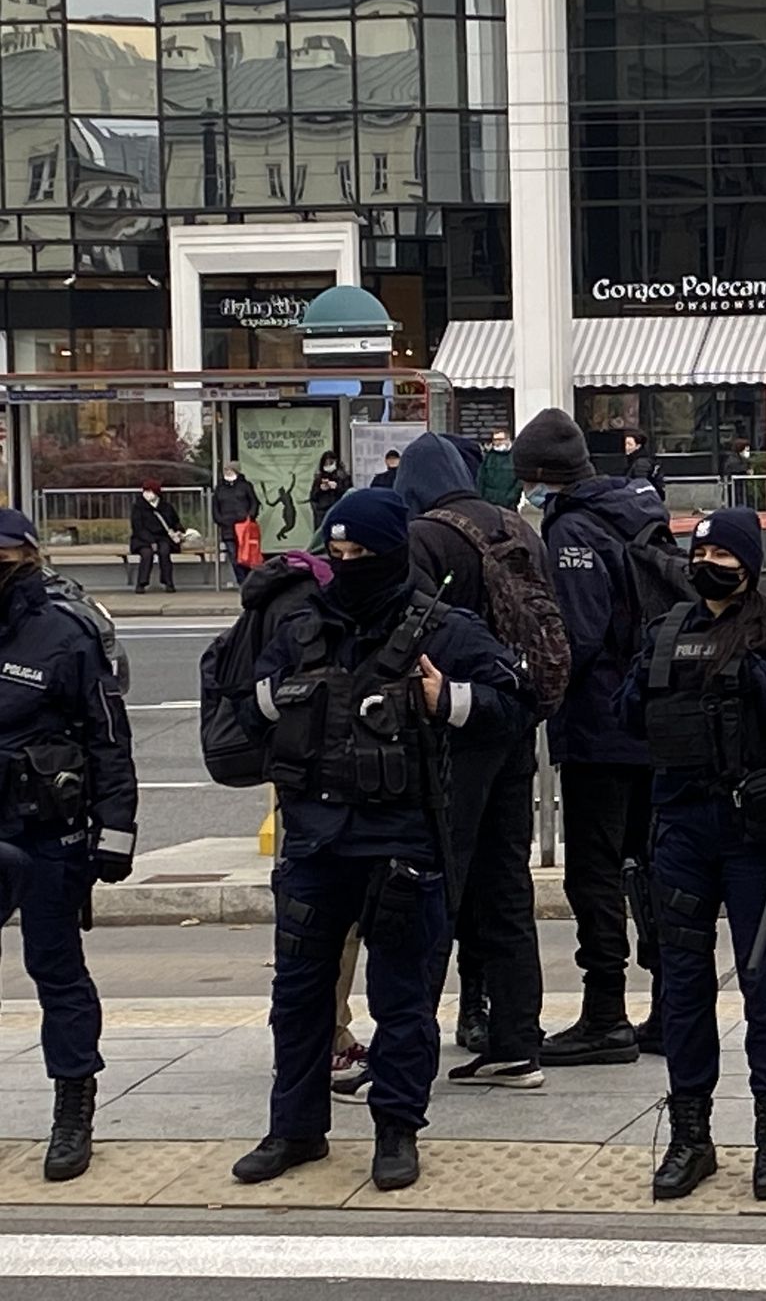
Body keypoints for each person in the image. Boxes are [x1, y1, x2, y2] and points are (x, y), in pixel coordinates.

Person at [230, 488, 528, 1192]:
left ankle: (396, 1129)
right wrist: (284, 698)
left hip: (401, 841)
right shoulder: (304, 626)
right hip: (314, 841)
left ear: (392, 553)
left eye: (361, 552)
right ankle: (295, 1128)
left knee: (402, 1000)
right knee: (298, 996)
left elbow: (515, 702)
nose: (347, 564)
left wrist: (448, 701)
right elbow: (248, 710)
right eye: (336, 552)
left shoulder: (443, 629)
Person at [619, 507, 766, 1203]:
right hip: (680, 828)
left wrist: (749, 674)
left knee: (765, 986)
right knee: (682, 989)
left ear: (749, 565)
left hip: (754, 833)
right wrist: (662, 674)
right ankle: (690, 1136)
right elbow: (626, 715)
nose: (707, 563)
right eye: (699, 552)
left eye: (721, 554)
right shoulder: (666, 631)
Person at [514, 408, 688, 1066]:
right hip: (652, 717)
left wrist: (536, 688)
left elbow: (578, 635)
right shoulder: (637, 510)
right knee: (652, 866)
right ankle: (671, 1007)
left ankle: (605, 1012)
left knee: (596, 872)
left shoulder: (573, 528)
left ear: (542, 476)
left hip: (599, 726)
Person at [393, 432, 550, 1088]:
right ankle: (517, 1041)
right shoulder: (519, 529)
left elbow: (411, 630)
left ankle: (406, 1048)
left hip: (450, 730)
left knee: (430, 887)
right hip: (513, 721)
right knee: (507, 886)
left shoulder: (424, 537)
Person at [0, 508, 138, 1183]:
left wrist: (116, 835)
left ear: (27, 557)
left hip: (46, 833)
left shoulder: (66, 633)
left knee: (55, 970)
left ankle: (73, 1109)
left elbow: (109, 737)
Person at [130, 480, 184, 595]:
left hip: (162, 537)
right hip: (142, 539)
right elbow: (138, 528)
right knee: (146, 553)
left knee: (164, 551)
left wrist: (179, 531)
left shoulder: (166, 507)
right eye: (145, 491)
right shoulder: (138, 507)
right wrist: (151, 541)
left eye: (149, 491)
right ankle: (141, 583)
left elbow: (175, 522)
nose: (147, 494)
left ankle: (168, 582)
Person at [213, 465, 261, 585]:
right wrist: (220, 520)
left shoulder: (245, 486)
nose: (227, 472)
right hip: (227, 527)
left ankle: (249, 581)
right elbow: (215, 507)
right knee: (234, 556)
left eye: (230, 470)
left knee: (246, 556)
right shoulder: (220, 488)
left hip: (244, 527)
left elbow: (254, 502)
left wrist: (250, 516)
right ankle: (242, 582)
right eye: (225, 470)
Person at [477, 429, 520, 509]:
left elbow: (520, 480)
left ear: (507, 439)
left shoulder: (515, 456)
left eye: (500, 439)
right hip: (489, 502)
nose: (497, 442)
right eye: (495, 440)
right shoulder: (488, 457)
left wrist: (512, 497)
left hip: (509, 504)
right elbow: (481, 478)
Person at [309, 452, 349, 528]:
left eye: (331, 463)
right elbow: (313, 497)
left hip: (338, 512)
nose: (328, 466)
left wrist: (337, 487)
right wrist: (320, 489)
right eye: (326, 464)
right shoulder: (318, 479)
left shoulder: (343, 477)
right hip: (322, 514)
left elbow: (348, 494)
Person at [623, 431, 667, 501]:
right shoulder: (640, 460)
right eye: (625, 444)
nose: (626, 447)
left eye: (630, 444)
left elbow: (640, 484)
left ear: (638, 446)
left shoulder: (641, 462)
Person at [720, 437, 752, 507]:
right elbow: (735, 469)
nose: (748, 453)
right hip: (735, 489)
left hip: (738, 488)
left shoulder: (739, 459)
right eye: (746, 450)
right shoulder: (733, 460)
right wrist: (746, 470)